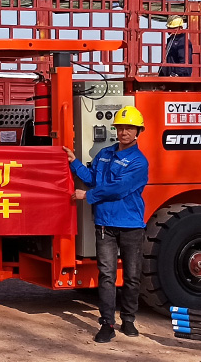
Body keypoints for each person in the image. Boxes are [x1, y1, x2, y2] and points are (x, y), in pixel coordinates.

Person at [63, 105, 149, 344]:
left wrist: (87, 196)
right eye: (120, 127)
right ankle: (107, 324)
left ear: (138, 131)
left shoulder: (139, 162)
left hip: (131, 225)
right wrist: (74, 162)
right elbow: (92, 178)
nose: (124, 132)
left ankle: (128, 319)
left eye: (129, 128)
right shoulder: (105, 154)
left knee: (131, 276)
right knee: (107, 275)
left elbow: (119, 188)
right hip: (104, 224)